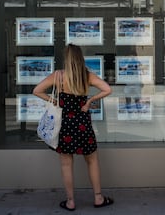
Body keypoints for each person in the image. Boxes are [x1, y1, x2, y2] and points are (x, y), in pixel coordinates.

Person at [33, 44, 113, 211]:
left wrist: (53, 101)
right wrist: (90, 101)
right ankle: (98, 198)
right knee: (92, 160)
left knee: (66, 164)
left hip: (65, 124)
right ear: (80, 58)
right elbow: (107, 89)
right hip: (83, 123)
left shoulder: (59, 76)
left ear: (67, 58)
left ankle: (70, 201)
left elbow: (37, 90)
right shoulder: (87, 76)